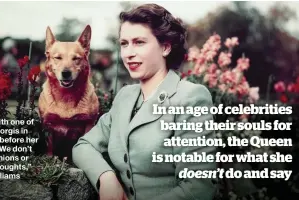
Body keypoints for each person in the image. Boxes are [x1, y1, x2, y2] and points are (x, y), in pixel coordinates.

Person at [73, 3, 217, 200]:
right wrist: (106, 178)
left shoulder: (191, 97)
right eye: (124, 43)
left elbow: (199, 188)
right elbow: (83, 146)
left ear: (165, 47)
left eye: (139, 42)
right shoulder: (125, 97)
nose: (128, 53)